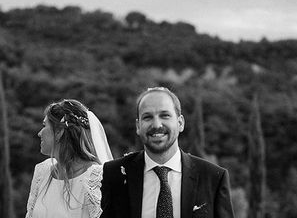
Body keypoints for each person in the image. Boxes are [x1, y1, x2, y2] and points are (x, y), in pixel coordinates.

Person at [100, 87, 236, 218]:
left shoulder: (213, 178)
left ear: (180, 123)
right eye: (148, 117)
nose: (157, 125)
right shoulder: (114, 174)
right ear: (138, 126)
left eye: (165, 115)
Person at [26, 99, 114, 218]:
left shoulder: (95, 177)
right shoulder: (42, 172)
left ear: (59, 132)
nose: (39, 133)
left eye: (44, 125)